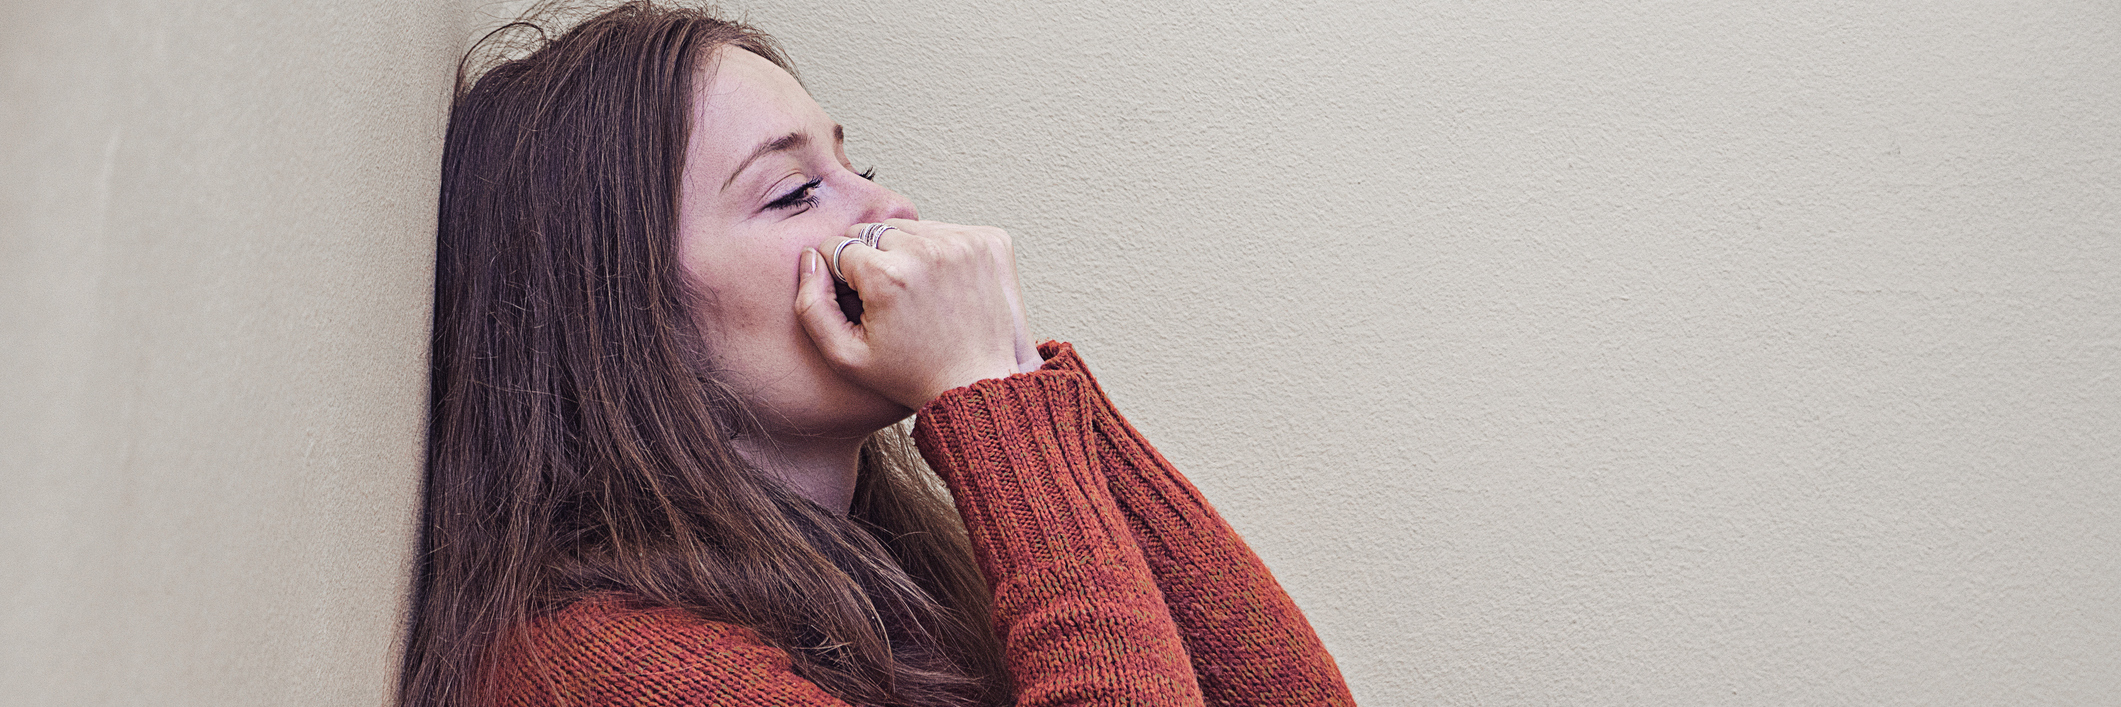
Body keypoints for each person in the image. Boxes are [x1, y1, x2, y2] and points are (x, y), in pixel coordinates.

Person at [399, 3, 1356, 706]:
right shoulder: (600, 667)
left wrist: (1026, 383)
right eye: (791, 194)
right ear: (624, 316)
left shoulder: (888, 578)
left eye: (857, 166)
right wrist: (996, 405)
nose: (889, 213)